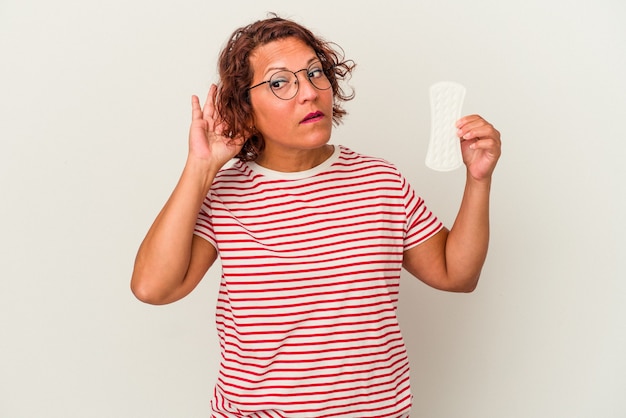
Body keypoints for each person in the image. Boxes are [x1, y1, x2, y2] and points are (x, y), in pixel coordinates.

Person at [131, 14, 501, 418]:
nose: (308, 92)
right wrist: (201, 167)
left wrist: (478, 179)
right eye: (279, 82)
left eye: (314, 73)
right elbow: (153, 288)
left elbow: (456, 274)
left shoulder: (379, 181)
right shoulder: (224, 194)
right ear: (245, 107)